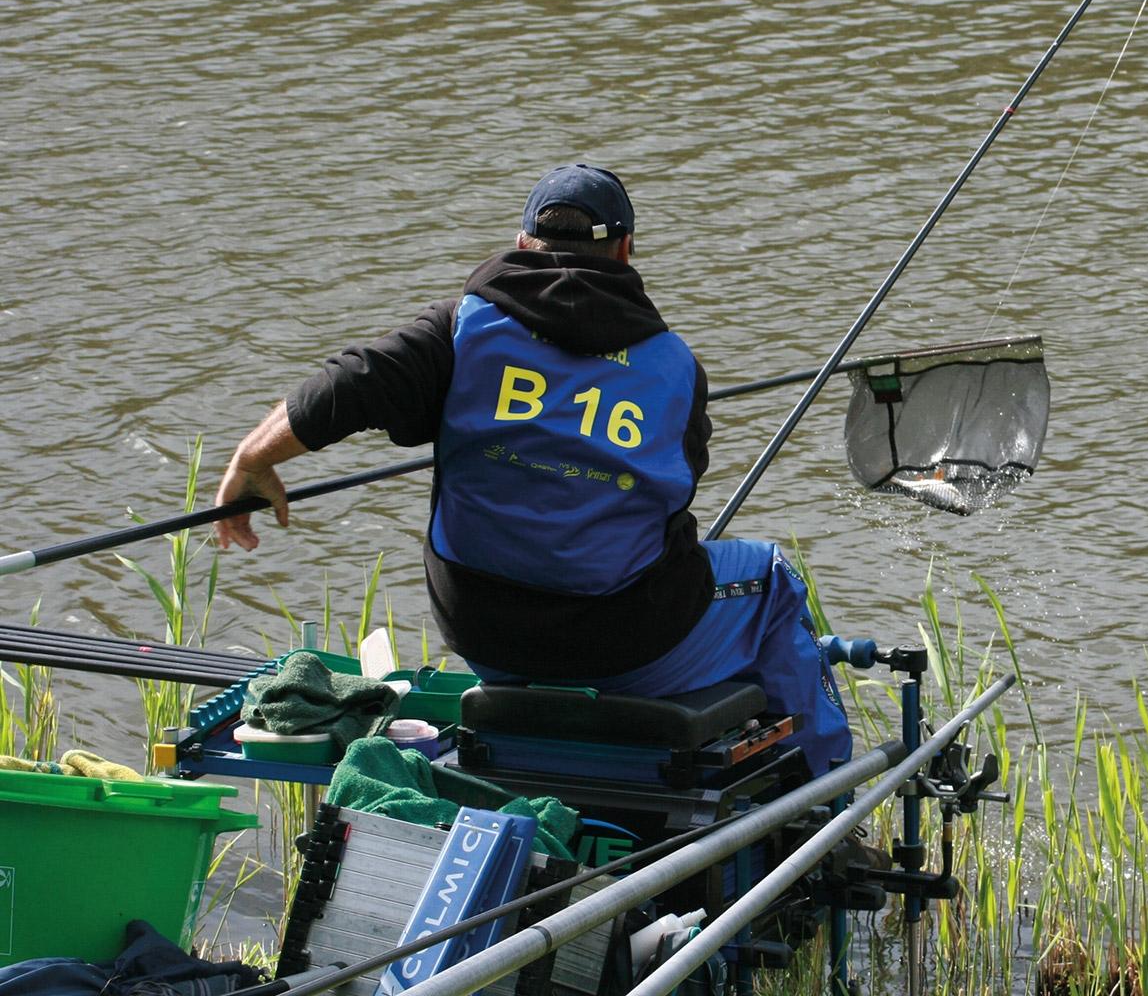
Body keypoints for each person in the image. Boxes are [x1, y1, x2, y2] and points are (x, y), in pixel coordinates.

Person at [214, 164, 851, 776]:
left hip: (484, 634)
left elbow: (348, 384)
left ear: (523, 243)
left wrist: (253, 458)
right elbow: (682, 484)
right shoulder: (675, 366)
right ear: (625, 250)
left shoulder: (459, 330)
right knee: (772, 579)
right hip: (628, 641)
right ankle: (822, 796)